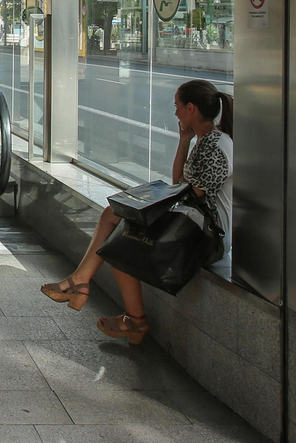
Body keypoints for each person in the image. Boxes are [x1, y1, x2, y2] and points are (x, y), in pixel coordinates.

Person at [39, 79, 233, 345]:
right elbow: (179, 182)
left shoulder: (217, 145)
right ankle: (86, 285)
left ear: (191, 109)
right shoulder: (203, 140)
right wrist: (184, 140)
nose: (175, 112)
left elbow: (196, 193)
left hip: (207, 236)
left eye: (177, 106)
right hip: (190, 224)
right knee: (112, 216)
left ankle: (127, 314)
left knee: (122, 239)